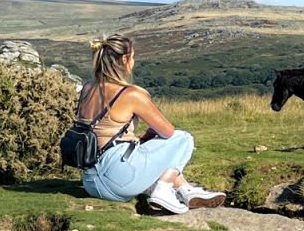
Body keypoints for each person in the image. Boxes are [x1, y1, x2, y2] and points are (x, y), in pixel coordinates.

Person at [76, 33, 225, 213]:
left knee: (149, 157)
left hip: (91, 181)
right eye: (133, 57)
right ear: (125, 59)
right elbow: (167, 132)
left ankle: (186, 190)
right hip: (118, 179)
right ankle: (163, 189)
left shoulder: (87, 88)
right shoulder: (131, 94)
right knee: (183, 138)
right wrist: (148, 135)